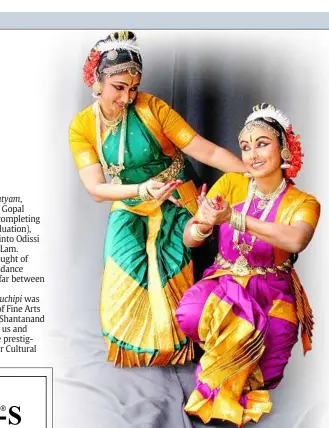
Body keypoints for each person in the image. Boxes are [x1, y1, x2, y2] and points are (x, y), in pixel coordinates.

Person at [68, 30, 245, 368]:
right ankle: (137, 350)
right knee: (121, 272)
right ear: (97, 80)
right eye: (119, 88)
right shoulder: (81, 127)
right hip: (130, 200)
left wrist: (249, 174)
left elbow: (204, 150)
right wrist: (140, 190)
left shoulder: (152, 108)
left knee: (174, 269)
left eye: (132, 88)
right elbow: (95, 188)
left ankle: (174, 348)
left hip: (176, 196)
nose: (127, 97)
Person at [176, 103, 321, 427]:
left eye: (262, 143)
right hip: (225, 281)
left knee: (268, 374)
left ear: (283, 148)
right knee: (189, 314)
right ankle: (229, 355)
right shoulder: (231, 183)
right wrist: (204, 224)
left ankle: (233, 354)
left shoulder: (304, 202)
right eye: (245, 146)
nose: (252, 154)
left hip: (274, 294)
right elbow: (189, 239)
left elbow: (296, 240)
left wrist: (236, 218)